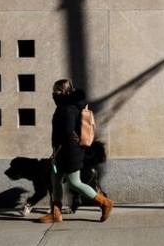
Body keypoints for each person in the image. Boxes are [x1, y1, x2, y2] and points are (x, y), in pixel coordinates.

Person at [39, 79, 114, 224]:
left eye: (56, 90)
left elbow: (67, 131)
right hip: (63, 151)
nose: (53, 93)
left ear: (64, 91)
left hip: (69, 152)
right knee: (56, 181)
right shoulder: (68, 105)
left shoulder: (66, 108)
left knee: (75, 182)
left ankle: (105, 202)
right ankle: (56, 213)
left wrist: (58, 150)